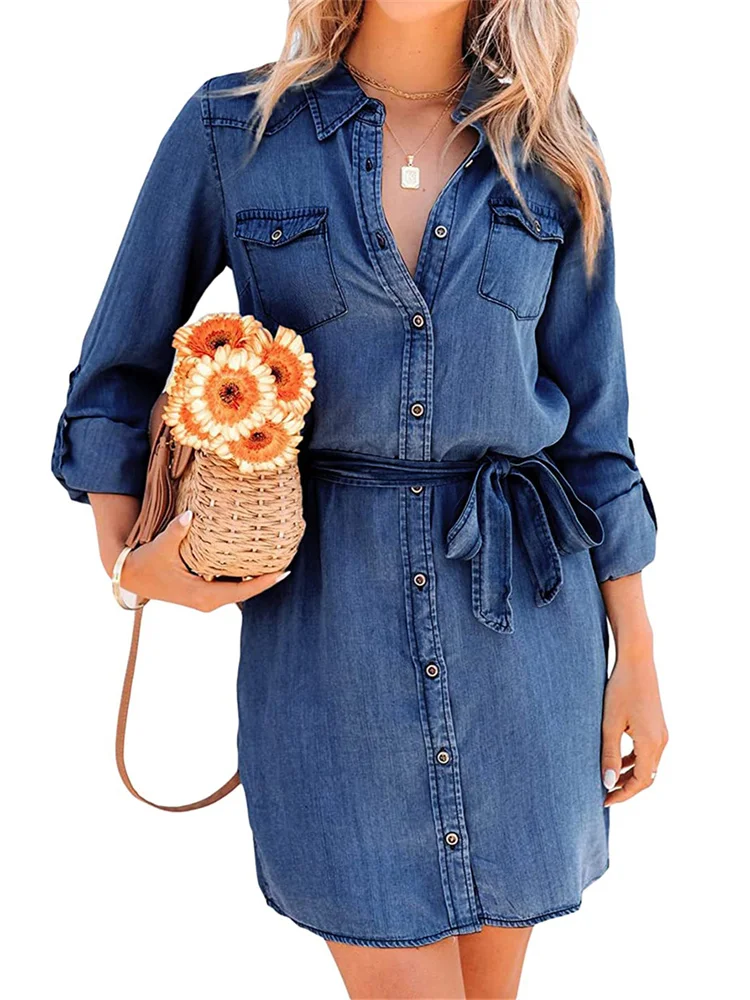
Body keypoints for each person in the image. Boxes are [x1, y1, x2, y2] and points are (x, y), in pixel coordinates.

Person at [50, 1, 668, 996]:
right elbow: (112, 377)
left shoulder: (551, 146)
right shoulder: (233, 131)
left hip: (524, 647)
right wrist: (126, 560)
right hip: (331, 655)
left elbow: (596, 433)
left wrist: (635, 655)